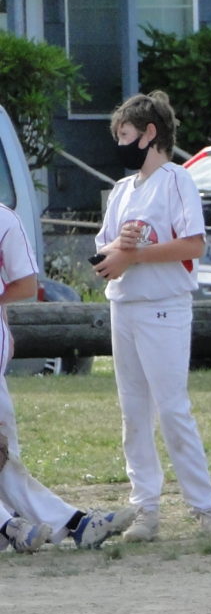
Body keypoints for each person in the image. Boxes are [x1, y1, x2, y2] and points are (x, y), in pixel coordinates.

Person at [93, 91, 211, 542]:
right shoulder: (120, 191)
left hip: (164, 307)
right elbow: (103, 254)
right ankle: (145, 508)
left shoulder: (175, 180)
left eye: (126, 134)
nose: (120, 143)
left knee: (172, 409)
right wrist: (121, 248)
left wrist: (137, 253)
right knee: (133, 412)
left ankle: (206, 508)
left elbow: (194, 245)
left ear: (150, 134)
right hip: (124, 306)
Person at [1, 202, 136, 552]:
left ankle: (65, 524)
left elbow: (25, 284)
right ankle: (12, 525)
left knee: (4, 455)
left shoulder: (3, 219)